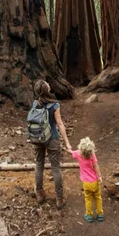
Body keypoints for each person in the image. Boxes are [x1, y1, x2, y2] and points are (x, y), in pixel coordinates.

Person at [32, 79, 72, 210]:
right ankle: (59, 199)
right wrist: (67, 142)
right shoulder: (54, 105)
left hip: (37, 139)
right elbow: (60, 124)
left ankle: (39, 194)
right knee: (56, 168)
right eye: (47, 83)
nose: (49, 84)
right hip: (52, 139)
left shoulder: (35, 104)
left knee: (39, 165)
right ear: (46, 89)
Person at [68, 136, 104, 222]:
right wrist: (99, 176)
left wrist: (67, 148)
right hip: (94, 181)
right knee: (98, 197)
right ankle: (100, 214)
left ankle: (89, 215)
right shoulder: (92, 154)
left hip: (86, 183)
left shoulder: (78, 153)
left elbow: (71, 152)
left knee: (88, 199)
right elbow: (96, 165)